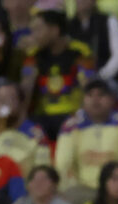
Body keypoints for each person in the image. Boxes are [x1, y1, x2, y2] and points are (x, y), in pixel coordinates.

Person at [54, 78, 118, 204]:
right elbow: (62, 164)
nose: (95, 100)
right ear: (84, 100)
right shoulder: (71, 126)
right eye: (90, 95)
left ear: (112, 99)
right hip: (82, 188)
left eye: (101, 95)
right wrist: (61, 192)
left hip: (117, 189)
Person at [21, 10, 95, 140]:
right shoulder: (32, 56)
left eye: (38, 30)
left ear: (55, 30)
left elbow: (88, 87)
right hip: (43, 117)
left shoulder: (80, 52)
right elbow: (25, 91)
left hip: (73, 116)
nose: (33, 36)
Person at [0, 81, 51, 176]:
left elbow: (43, 166)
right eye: (1, 101)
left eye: (10, 100)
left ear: (22, 104)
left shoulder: (34, 132)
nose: (5, 106)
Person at [67, 0, 118, 82]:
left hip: (104, 78)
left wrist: (101, 76)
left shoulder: (108, 20)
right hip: (76, 80)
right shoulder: (69, 26)